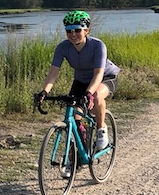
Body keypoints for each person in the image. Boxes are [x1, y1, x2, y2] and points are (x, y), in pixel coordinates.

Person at [34, 10, 120, 151]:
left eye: (77, 30)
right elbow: (53, 73)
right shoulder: (63, 47)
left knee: (97, 96)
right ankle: (79, 152)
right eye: (69, 31)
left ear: (86, 30)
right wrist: (44, 92)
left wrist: (89, 94)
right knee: (74, 116)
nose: (73, 34)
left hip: (105, 77)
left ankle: (101, 130)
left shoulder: (97, 45)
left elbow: (98, 74)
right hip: (81, 80)